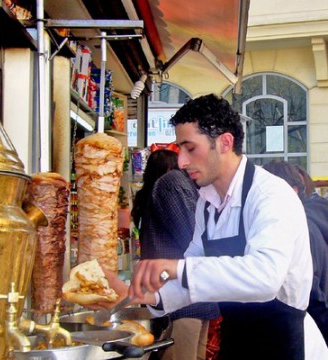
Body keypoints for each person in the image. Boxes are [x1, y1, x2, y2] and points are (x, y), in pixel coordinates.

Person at [122, 94, 326, 359]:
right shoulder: (206, 204)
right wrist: (146, 296)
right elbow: (192, 275)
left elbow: (266, 277)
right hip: (236, 341)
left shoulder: (271, 195)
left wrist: (176, 267)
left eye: (190, 148)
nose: (182, 162)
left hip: (282, 344)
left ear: (225, 143)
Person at [131, 147, 220, 360]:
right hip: (184, 294)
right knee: (185, 354)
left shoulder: (164, 190)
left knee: (189, 352)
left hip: (190, 292)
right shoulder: (174, 185)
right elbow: (192, 239)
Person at [263, 160, 328, 344]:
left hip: (304, 331)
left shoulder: (295, 229)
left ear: (293, 191)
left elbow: (309, 290)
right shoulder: (313, 220)